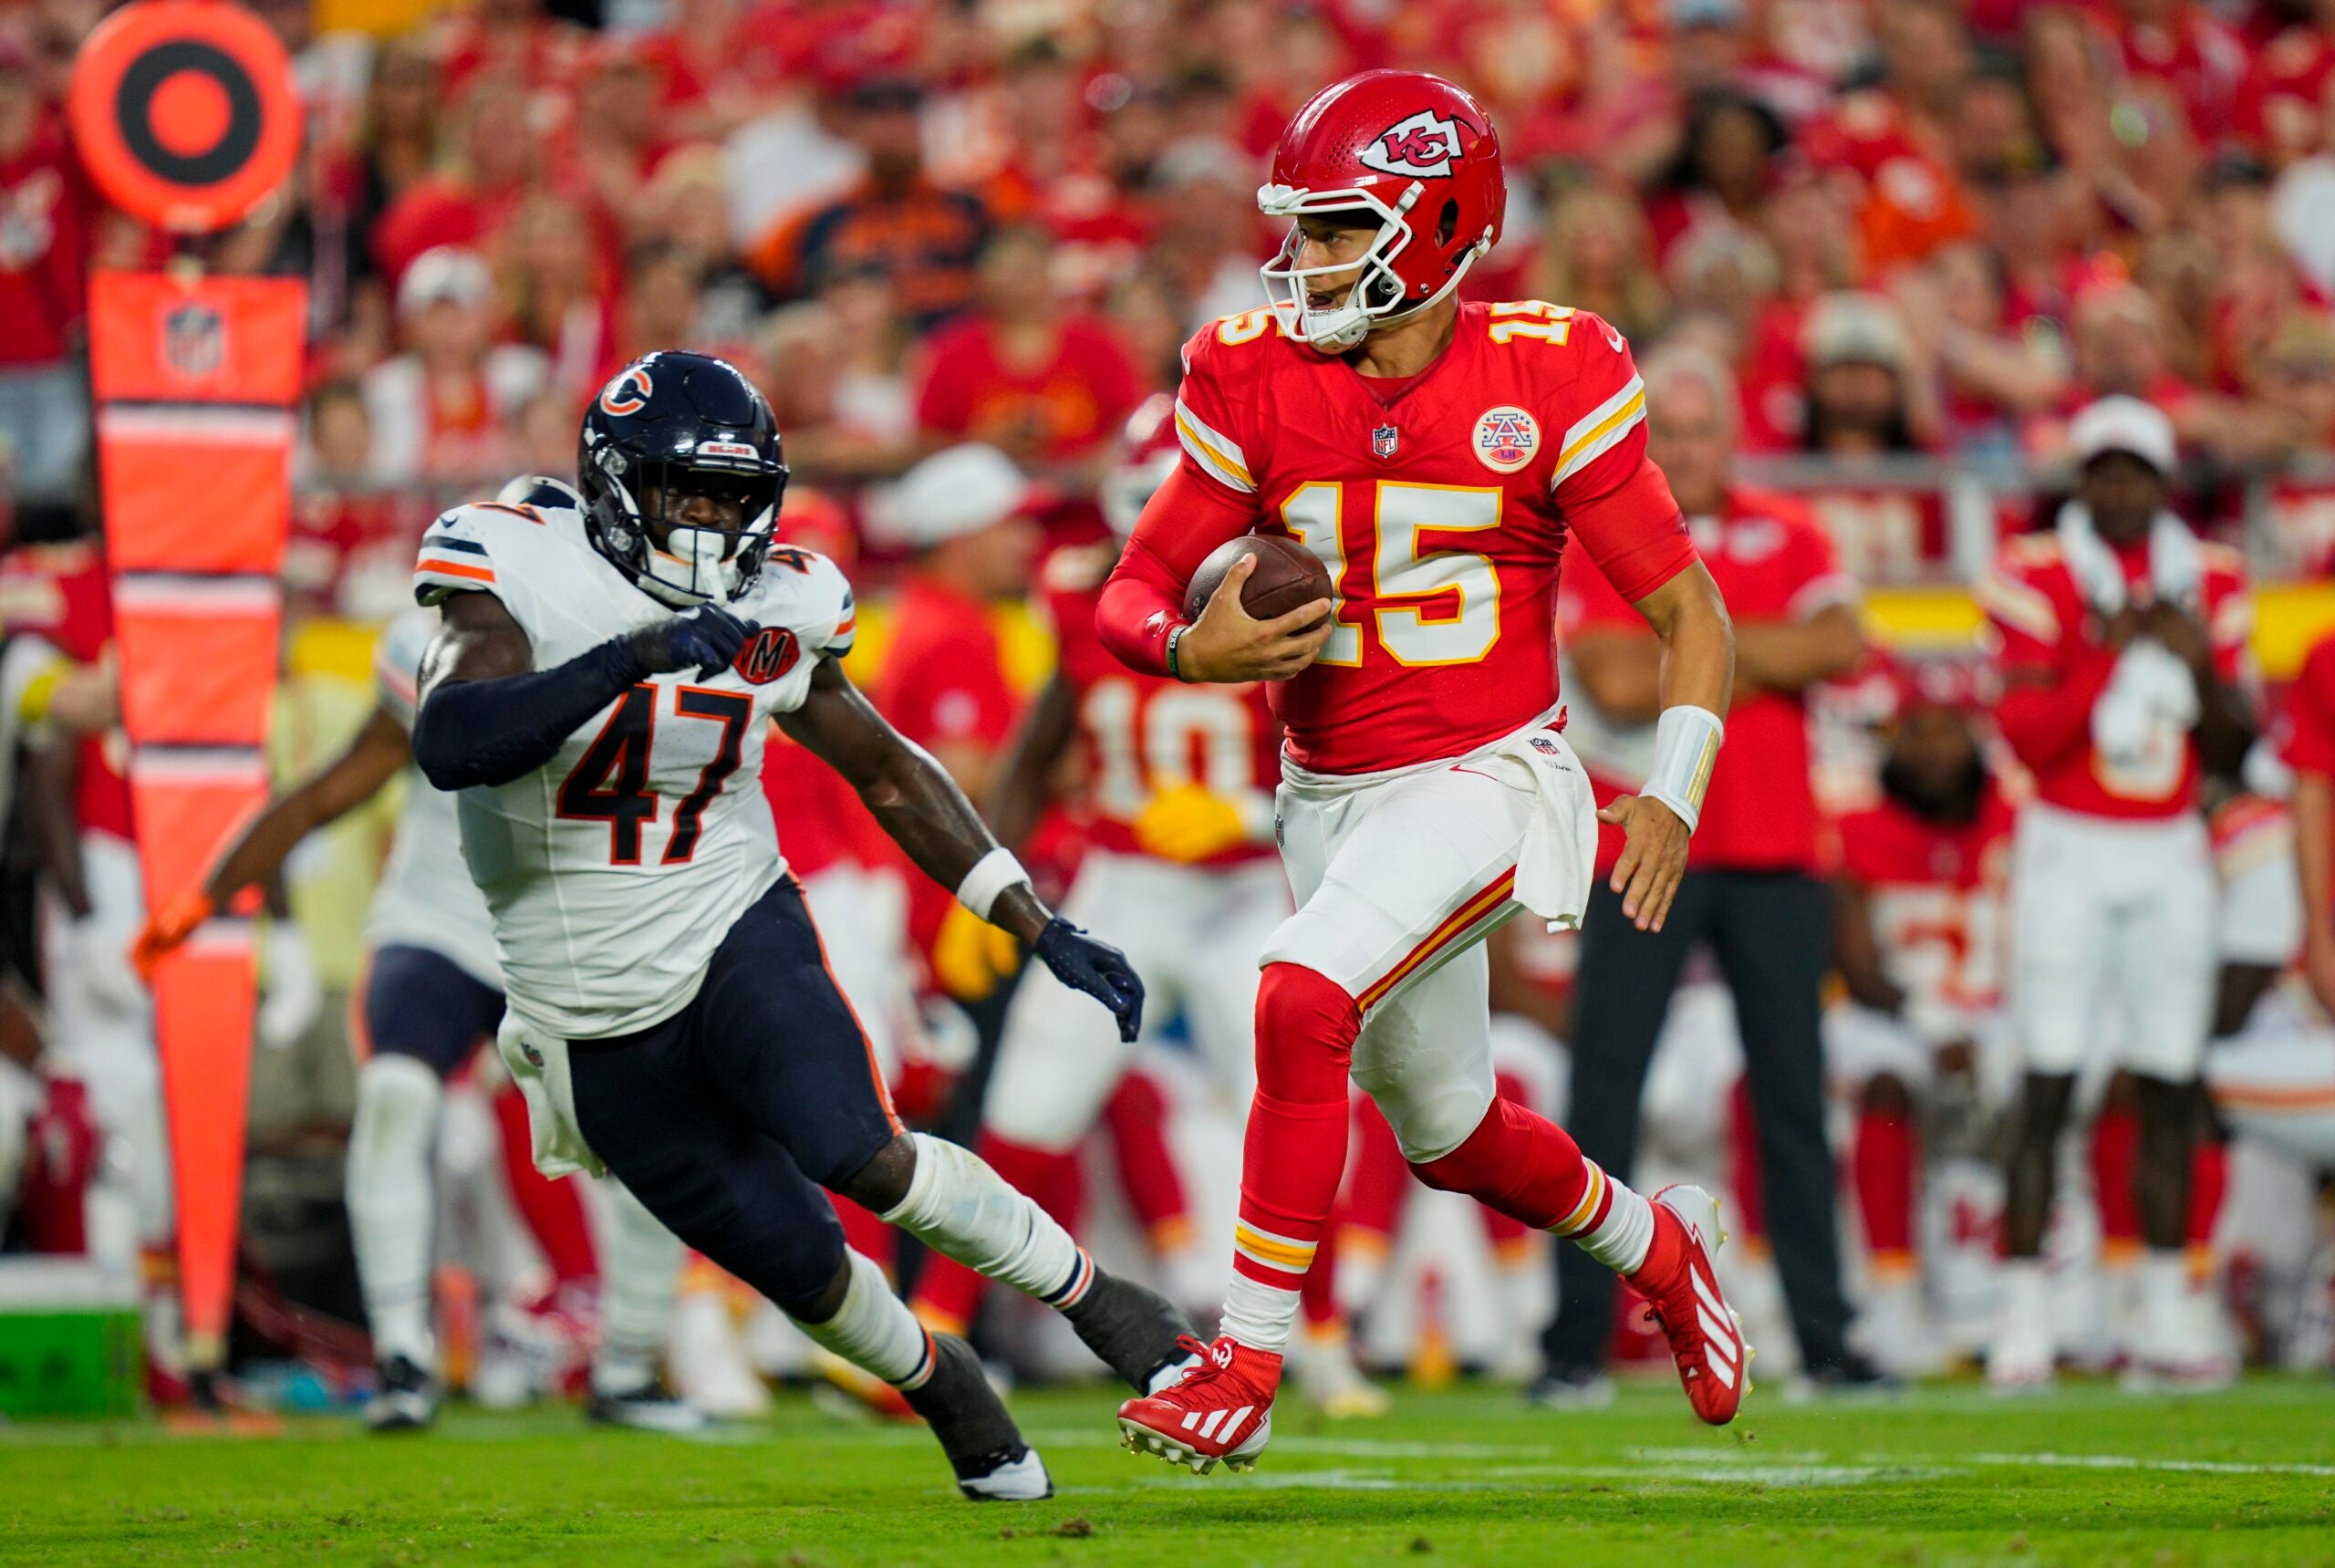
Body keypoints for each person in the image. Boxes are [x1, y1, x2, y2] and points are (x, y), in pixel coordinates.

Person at [395, 350, 1189, 1501]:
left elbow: (888, 768)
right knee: (805, 1271)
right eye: (690, 493)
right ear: (619, 486)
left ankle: (1108, 1305)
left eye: (737, 495)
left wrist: (1032, 918)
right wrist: (633, 658)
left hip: (729, 921)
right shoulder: (517, 563)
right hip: (584, 1007)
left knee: (861, 1151)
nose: (717, 524)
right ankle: (944, 1384)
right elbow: (453, 740)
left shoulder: (784, 597)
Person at [1095, 70, 1746, 1473]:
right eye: (1304, 231)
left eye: (1336, 229)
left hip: (1491, 773)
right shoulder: (1250, 368)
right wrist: (1186, 654)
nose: (1305, 260)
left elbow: (1692, 615)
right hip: (1327, 791)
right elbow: (1132, 583)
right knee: (1449, 1130)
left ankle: (1246, 1356)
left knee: (1299, 988)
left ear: (1440, 225)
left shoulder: (1550, 366)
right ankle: (1662, 1243)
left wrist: (1676, 792)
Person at [132, 483, 700, 1436]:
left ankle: (632, 1363)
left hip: (569, 935)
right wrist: (202, 893)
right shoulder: (430, 649)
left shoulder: (631, 649)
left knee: (656, 1136)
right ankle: (404, 1358)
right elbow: (328, 792)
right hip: (437, 921)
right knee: (397, 1097)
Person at [910, 400, 1384, 1415]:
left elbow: (1350, 760)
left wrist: (1245, 815)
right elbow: (1043, 743)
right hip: (1123, 883)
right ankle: (937, 1328)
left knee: (1294, 1106)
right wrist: (986, 880)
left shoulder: (1289, 582)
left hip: (1244, 884)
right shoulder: (1080, 590)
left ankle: (1329, 1340)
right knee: (1030, 1107)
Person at [1544, 344, 1875, 1398]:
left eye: (1701, 430)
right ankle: (1572, 1348)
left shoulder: (1792, 526)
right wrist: (1751, 651)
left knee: (1792, 1107)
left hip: (1777, 853)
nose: (1686, 450)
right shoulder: (1611, 531)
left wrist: (1696, 651)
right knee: (1602, 1098)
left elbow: (1841, 644)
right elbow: (1606, 673)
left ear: (1732, 436)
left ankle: (1825, 1343)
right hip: (1645, 847)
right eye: (1669, 432)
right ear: (1645, 440)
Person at [1976, 394, 2251, 1390]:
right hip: (2067, 843)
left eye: (2137, 470)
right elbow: (2029, 738)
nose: (2121, 488)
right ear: (2079, 483)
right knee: (2046, 1081)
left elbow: (2235, 748)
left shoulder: (2212, 578)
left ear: (2166, 483)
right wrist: (2109, 651)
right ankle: (2021, 1316)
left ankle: (2170, 1313)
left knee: (2172, 1084)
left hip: (2170, 845)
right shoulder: (2030, 571)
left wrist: (2201, 669)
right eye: (2103, 471)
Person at [1826, 664, 2017, 1374]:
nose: (1935, 748)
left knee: (2059, 1075)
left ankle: (2059, 1290)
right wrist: (1934, 1023)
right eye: (1918, 730)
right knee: (1884, 1079)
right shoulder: (1853, 824)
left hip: (2001, 1013)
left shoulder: (2017, 818)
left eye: (1951, 728)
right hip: (1895, 1014)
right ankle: (1894, 1293)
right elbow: (1859, 966)